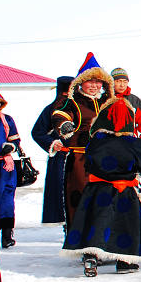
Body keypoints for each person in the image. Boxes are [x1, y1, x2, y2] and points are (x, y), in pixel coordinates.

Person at [62, 96, 141, 276]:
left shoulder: (96, 140)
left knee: (96, 223)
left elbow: (88, 163)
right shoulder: (133, 143)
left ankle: (91, 257)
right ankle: (125, 262)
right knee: (125, 226)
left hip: (96, 190)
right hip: (125, 192)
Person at [51, 53, 114, 228]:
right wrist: (64, 126)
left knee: (106, 201)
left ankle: (103, 241)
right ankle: (83, 244)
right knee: (81, 199)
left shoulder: (108, 102)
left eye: (98, 82)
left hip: (107, 161)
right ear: (81, 82)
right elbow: (60, 115)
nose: (94, 86)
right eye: (90, 81)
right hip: (81, 161)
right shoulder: (72, 102)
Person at [31, 76, 73, 227]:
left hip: (82, 158)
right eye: (65, 91)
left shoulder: (82, 108)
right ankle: (67, 228)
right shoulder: (50, 109)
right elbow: (37, 132)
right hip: (60, 159)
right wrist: (53, 143)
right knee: (61, 195)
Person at [0, 87, 21, 248]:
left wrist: (10, 147)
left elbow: (16, 141)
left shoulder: (7, 120)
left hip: (5, 167)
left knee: (6, 201)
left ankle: (7, 235)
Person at [111, 67, 141, 152]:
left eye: (125, 81)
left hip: (130, 146)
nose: (122, 85)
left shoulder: (135, 101)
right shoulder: (104, 100)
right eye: (118, 81)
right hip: (109, 146)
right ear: (112, 82)